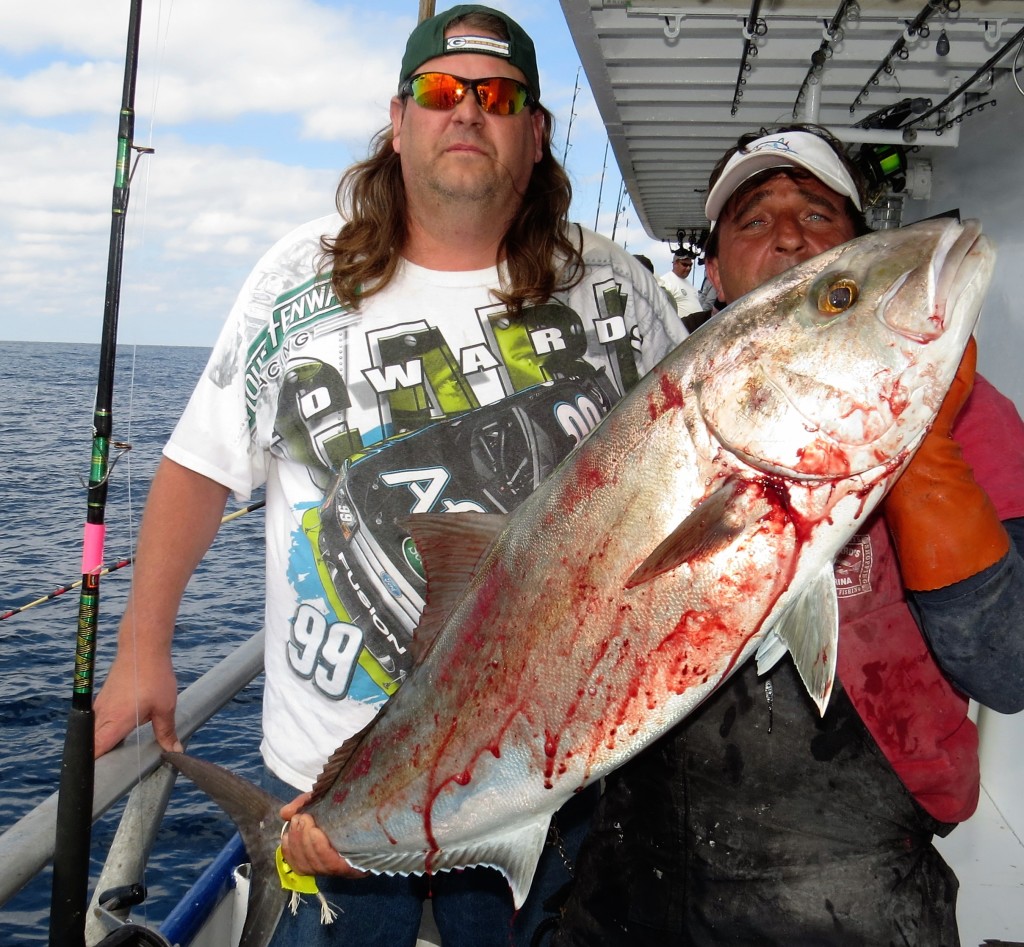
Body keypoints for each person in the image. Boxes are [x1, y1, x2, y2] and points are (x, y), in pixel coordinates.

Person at [92, 5, 683, 946]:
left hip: (542, 770)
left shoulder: (617, 292)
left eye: (497, 97)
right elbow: (200, 469)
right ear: (399, 121)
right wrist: (141, 647)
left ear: (534, 135)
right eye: (443, 92)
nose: (468, 113)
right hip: (334, 786)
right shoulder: (297, 280)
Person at [552, 125, 1024, 945]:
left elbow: (1009, 665)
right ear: (716, 270)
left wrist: (920, 453)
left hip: (856, 872)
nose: (788, 234)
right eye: (753, 220)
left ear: (857, 243)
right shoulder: (640, 430)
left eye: (817, 213)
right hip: (638, 851)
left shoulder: (971, 415)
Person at [658, 247, 703, 327]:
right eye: (685, 264)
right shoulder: (665, 282)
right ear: (675, 263)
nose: (688, 268)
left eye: (690, 265)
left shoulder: (689, 284)